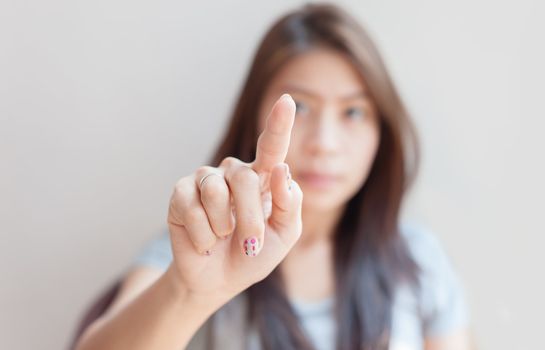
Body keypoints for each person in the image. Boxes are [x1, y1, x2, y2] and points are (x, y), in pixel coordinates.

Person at [73, 3, 471, 350]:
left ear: (382, 133)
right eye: (299, 106)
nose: (325, 144)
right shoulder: (203, 243)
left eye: (353, 112)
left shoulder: (419, 260)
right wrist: (187, 293)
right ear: (254, 117)